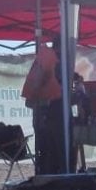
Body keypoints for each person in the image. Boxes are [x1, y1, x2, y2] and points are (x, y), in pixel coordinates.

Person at [21, 38, 65, 174]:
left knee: (48, 153)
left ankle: (47, 179)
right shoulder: (48, 62)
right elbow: (34, 95)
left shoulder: (46, 61)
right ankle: (48, 182)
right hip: (46, 117)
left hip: (46, 116)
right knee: (49, 153)